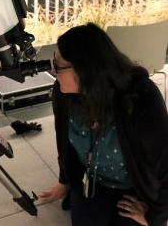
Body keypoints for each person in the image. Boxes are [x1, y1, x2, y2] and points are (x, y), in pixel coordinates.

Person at [40, 23, 168, 226]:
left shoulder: (142, 97)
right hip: (92, 181)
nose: (53, 72)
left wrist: (155, 216)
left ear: (85, 71)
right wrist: (65, 181)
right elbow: (63, 143)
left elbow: (164, 162)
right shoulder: (63, 94)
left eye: (58, 66)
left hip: (134, 189)